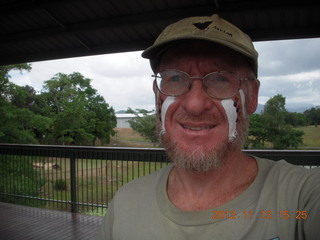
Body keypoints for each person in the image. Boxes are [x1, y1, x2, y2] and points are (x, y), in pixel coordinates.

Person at [96, 14, 320, 240]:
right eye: (175, 78)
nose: (194, 105)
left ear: (252, 97)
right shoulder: (124, 204)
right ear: (157, 94)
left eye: (220, 79)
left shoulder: (302, 198)